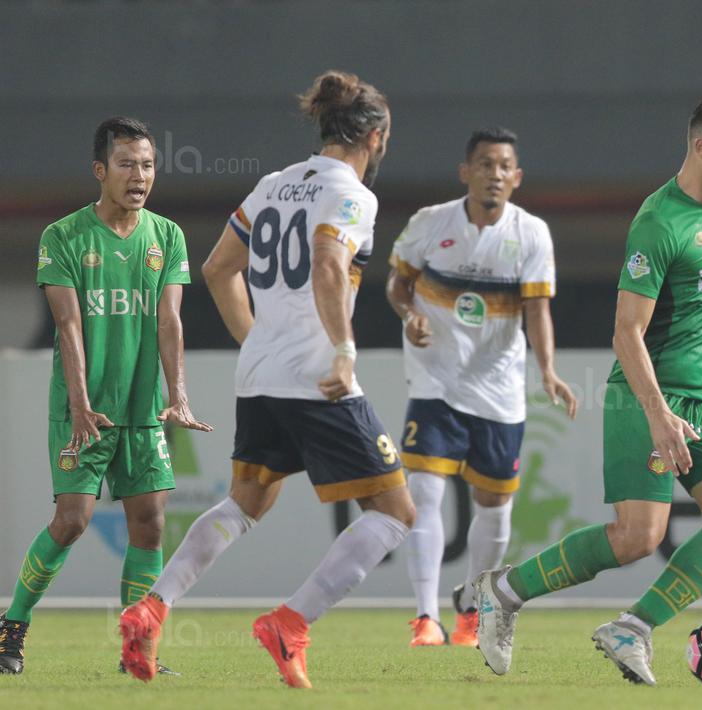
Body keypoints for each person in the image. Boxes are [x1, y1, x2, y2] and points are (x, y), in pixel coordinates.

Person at [119, 70, 414, 689]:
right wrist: (343, 350)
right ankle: (291, 623)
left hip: (258, 376)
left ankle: (152, 606)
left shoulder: (274, 185)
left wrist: (258, 342)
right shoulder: (355, 194)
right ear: (377, 136)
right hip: (315, 376)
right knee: (395, 513)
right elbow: (331, 267)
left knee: (247, 501)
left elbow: (217, 268)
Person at [473, 90, 702, 686]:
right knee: (638, 537)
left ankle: (632, 628)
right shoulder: (658, 221)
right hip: (646, 394)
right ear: (701, 146)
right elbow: (626, 333)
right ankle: (503, 591)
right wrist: (658, 416)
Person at [0, 117, 212, 676]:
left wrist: (179, 393)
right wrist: (77, 402)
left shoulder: (167, 237)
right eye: (126, 164)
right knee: (72, 520)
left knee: (150, 519)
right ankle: (11, 627)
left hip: (142, 411)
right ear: (100, 171)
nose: (139, 176)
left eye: (147, 165)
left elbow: (170, 320)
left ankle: (136, 648)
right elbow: (67, 325)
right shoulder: (63, 236)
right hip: (83, 411)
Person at [386, 127, 577, 647]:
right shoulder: (430, 224)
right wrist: (408, 315)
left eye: (504, 166)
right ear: (465, 172)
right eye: (484, 163)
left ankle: (471, 606)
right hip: (435, 380)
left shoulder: (532, 233)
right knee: (423, 494)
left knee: (495, 508)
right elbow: (398, 286)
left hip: (498, 389)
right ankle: (426, 617)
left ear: (516, 178)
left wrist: (548, 371)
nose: (494, 174)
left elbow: (538, 309)